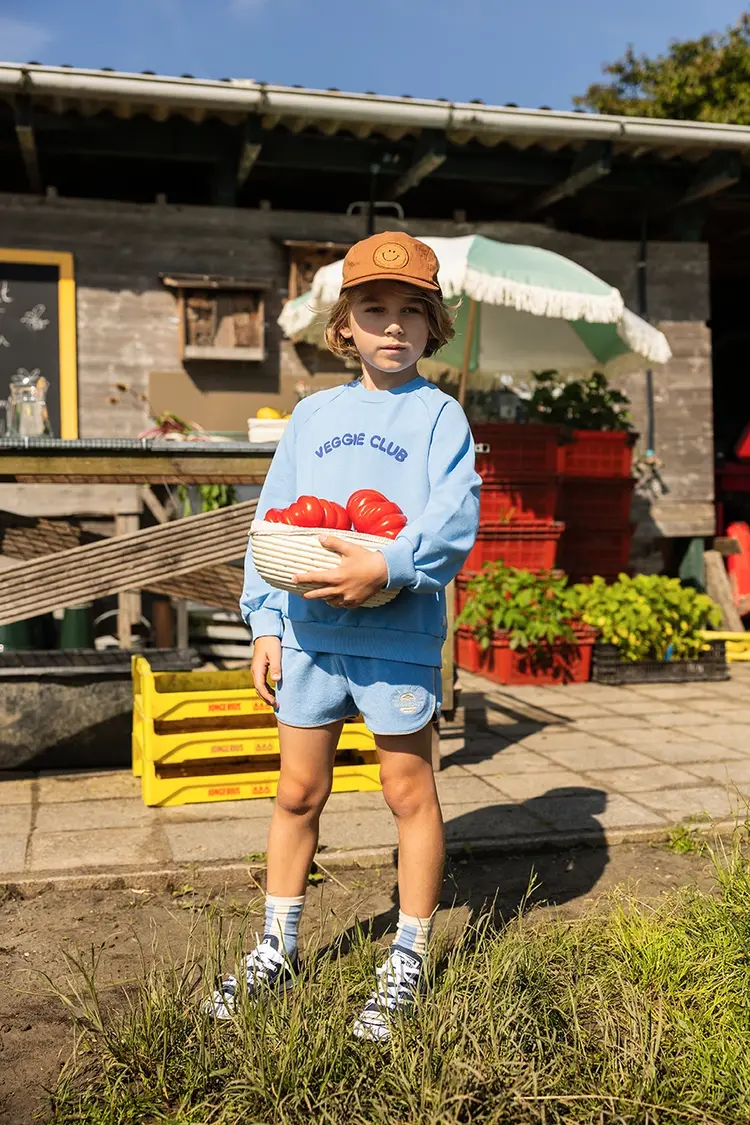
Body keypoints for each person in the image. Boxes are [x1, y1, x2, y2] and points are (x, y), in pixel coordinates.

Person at [208, 232, 480, 1041]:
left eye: (409, 312)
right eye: (373, 310)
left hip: (395, 636)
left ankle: (409, 952)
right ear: (345, 327)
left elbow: (453, 521)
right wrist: (263, 621)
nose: (391, 326)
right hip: (310, 634)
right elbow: (272, 521)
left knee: (409, 792)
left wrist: (388, 565)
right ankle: (277, 944)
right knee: (298, 791)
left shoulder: (440, 417)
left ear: (433, 327)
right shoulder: (312, 415)